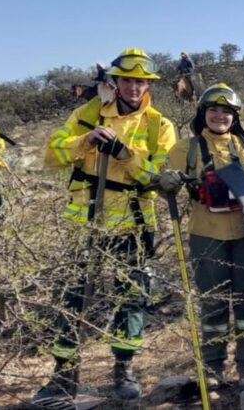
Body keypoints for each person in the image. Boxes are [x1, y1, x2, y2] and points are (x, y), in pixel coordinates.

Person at [38, 48, 176, 404]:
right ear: (116, 82)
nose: (134, 87)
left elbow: (158, 179)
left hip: (132, 226)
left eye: (140, 81)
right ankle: (64, 374)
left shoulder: (160, 126)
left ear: (149, 85)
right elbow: (51, 155)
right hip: (83, 224)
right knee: (71, 299)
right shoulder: (88, 113)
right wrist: (86, 141)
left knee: (130, 297)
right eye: (128, 80)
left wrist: (123, 153)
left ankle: (124, 369)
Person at [156, 83, 244, 390]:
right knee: (214, 304)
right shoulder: (183, 149)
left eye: (226, 112)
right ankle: (214, 367)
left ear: (235, 117)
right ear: (203, 114)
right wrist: (165, 183)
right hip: (205, 235)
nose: (219, 116)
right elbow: (168, 191)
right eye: (213, 110)